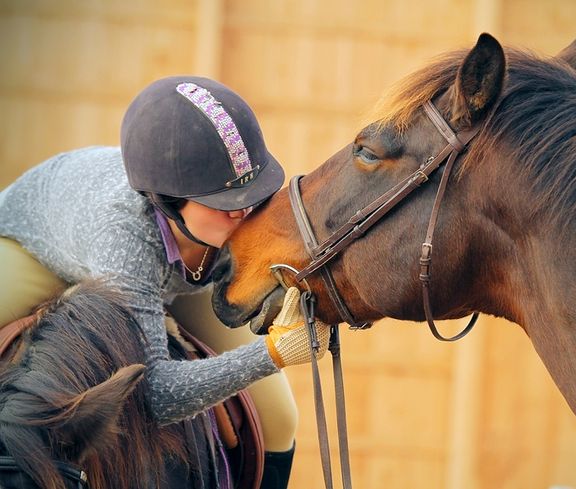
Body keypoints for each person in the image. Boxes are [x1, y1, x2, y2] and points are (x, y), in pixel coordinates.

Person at [0, 75, 329, 489]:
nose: (244, 211)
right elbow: (156, 396)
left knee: (279, 417)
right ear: (168, 202)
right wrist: (273, 353)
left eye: (254, 192)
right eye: (223, 203)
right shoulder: (125, 235)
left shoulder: (237, 208)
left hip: (163, 272)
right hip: (34, 247)